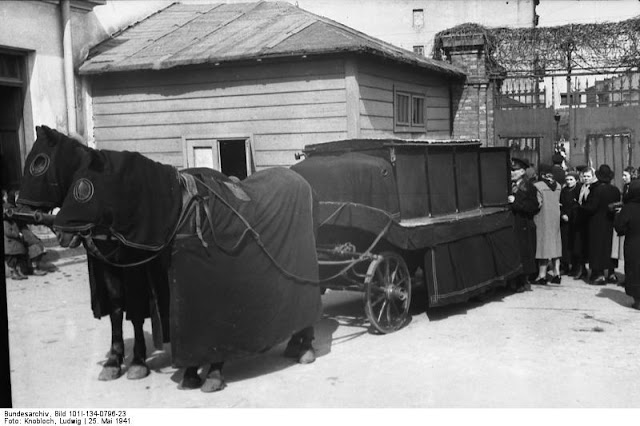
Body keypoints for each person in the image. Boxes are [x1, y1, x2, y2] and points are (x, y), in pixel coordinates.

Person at [581, 164, 621, 285]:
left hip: (596, 222)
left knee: (597, 248)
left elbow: (591, 207)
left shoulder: (596, 190)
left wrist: (580, 208)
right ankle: (611, 273)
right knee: (610, 247)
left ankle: (598, 274)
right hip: (610, 221)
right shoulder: (615, 190)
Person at [507, 157, 540, 292]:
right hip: (512, 224)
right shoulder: (507, 186)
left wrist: (515, 202)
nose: (512, 173)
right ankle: (513, 279)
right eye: (511, 170)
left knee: (524, 253)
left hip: (524, 225)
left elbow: (533, 206)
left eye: (515, 170)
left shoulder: (529, 187)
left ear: (522, 172)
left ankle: (523, 281)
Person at [3, 190, 52, 278]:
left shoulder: (20, 207)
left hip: (22, 229)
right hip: (17, 230)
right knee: (33, 244)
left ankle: (34, 267)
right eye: (17, 197)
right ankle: (33, 268)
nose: (20, 199)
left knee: (36, 242)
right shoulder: (8, 208)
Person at [532, 163, 562, 284]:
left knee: (543, 247)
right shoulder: (558, 185)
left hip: (542, 218)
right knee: (555, 246)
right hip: (555, 218)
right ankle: (557, 273)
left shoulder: (538, 186)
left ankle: (542, 275)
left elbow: (537, 204)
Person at [613, 179, 640, 310]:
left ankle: (638, 300)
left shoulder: (629, 208)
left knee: (634, 270)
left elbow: (619, 227)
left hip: (633, 243)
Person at [560, 170, 581, 276]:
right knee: (565, 244)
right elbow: (560, 204)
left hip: (575, 220)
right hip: (564, 220)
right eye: (567, 179)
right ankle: (565, 265)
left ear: (576, 180)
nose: (569, 182)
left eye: (571, 179)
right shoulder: (564, 191)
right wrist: (562, 214)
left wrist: (571, 215)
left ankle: (576, 266)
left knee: (575, 244)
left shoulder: (578, 190)